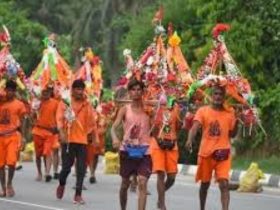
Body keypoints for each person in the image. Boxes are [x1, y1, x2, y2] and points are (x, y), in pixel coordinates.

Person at [185, 85, 239, 210]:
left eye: (220, 94)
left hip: (223, 154)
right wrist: (189, 140)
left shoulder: (230, 113)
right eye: (215, 94)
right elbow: (195, 127)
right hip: (206, 153)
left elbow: (232, 134)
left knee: (224, 184)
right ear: (211, 96)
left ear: (224, 97)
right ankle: (202, 208)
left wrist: (237, 122)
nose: (218, 96)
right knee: (205, 184)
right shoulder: (203, 111)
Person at [111, 79, 152, 210]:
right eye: (133, 90)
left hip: (145, 151)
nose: (136, 92)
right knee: (124, 184)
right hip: (127, 150)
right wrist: (115, 138)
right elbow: (113, 127)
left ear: (143, 92)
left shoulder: (149, 110)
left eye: (139, 89)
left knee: (142, 182)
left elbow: (156, 130)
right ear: (129, 92)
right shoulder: (124, 109)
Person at [55, 79, 96, 204]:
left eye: (81, 89)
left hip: (82, 140)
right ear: (72, 90)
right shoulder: (65, 103)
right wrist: (62, 133)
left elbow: (91, 122)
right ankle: (62, 183)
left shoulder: (87, 104)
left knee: (81, 168)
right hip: (68, 140)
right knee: (66, 168)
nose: (79, 92)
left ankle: (78, 194)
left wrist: (91, 136)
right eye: (77, 89)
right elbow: (59, 120)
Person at [150, 96, 181, 210]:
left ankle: (160, 197)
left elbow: (178, 126)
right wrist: (159, 141)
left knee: (172, 178)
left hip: (172, 145)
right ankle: (162, 204)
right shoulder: (157, 106)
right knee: (161, 174)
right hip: (158, 145)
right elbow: (153, 127)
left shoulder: (176, 107)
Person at [0, 80, 27, 197]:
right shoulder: (1, 102)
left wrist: (24, 137)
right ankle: (3, 188)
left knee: (11, 162)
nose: (9, 93)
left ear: (15, 92)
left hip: (12, 136)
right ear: (5, 90)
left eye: (12, 91)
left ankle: (9, 183)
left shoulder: (19, 104)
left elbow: (24, 120)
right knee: (0, 165)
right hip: (0, 137)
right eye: (8, 90)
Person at [32, 86, 59, 182]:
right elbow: (32, 117)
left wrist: (57, 127)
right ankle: (39, 173)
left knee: (47, 152)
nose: (45, 93)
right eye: (44, 91)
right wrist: (34, 110)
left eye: (47, 91)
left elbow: (58, 116)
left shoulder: (55, 103)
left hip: (49, 132)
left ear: (50, 91)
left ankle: (47, 173)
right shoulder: (37, 102)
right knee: (38, 155)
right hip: (37, 131)